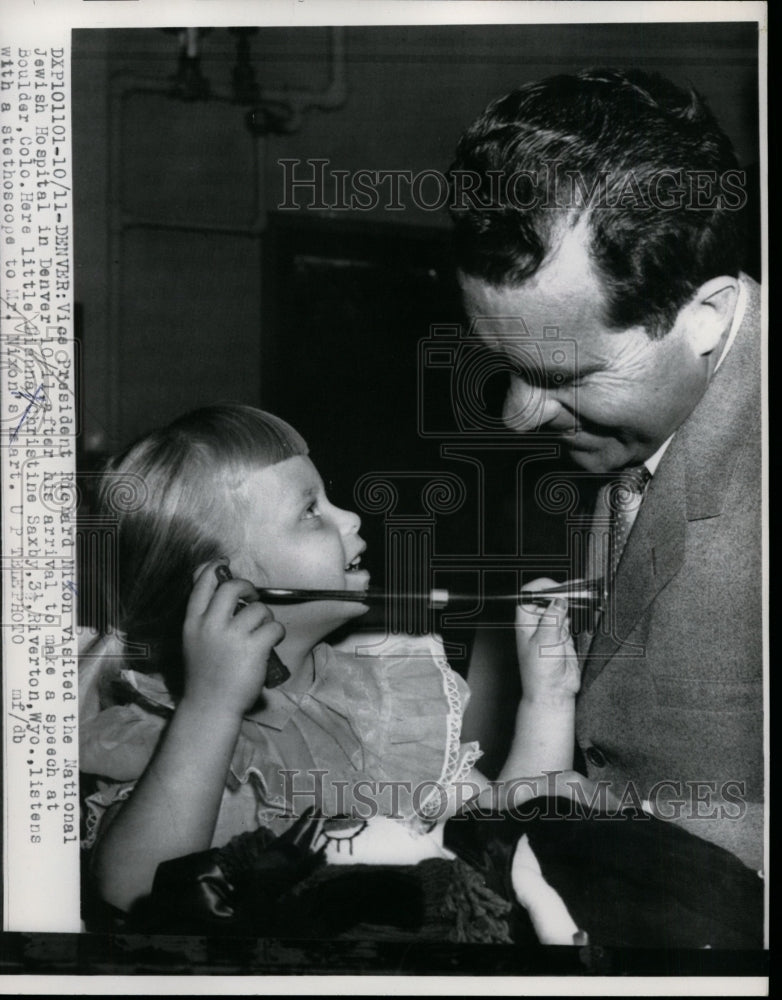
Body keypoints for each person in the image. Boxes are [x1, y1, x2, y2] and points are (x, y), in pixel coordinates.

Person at [78, 403, 581, 924]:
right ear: (225, 589)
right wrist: (211, 707)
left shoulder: (375, 703)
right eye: (311, 511)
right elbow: (134, 891)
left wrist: (547, 699)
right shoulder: (170, 734)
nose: (351, 518)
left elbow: (500, 842)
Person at [448, 69, 764, 874]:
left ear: (707, 317)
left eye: (562, 376)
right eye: (502, 365)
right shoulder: (622, 435)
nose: (518, 416)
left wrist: (632, 833)